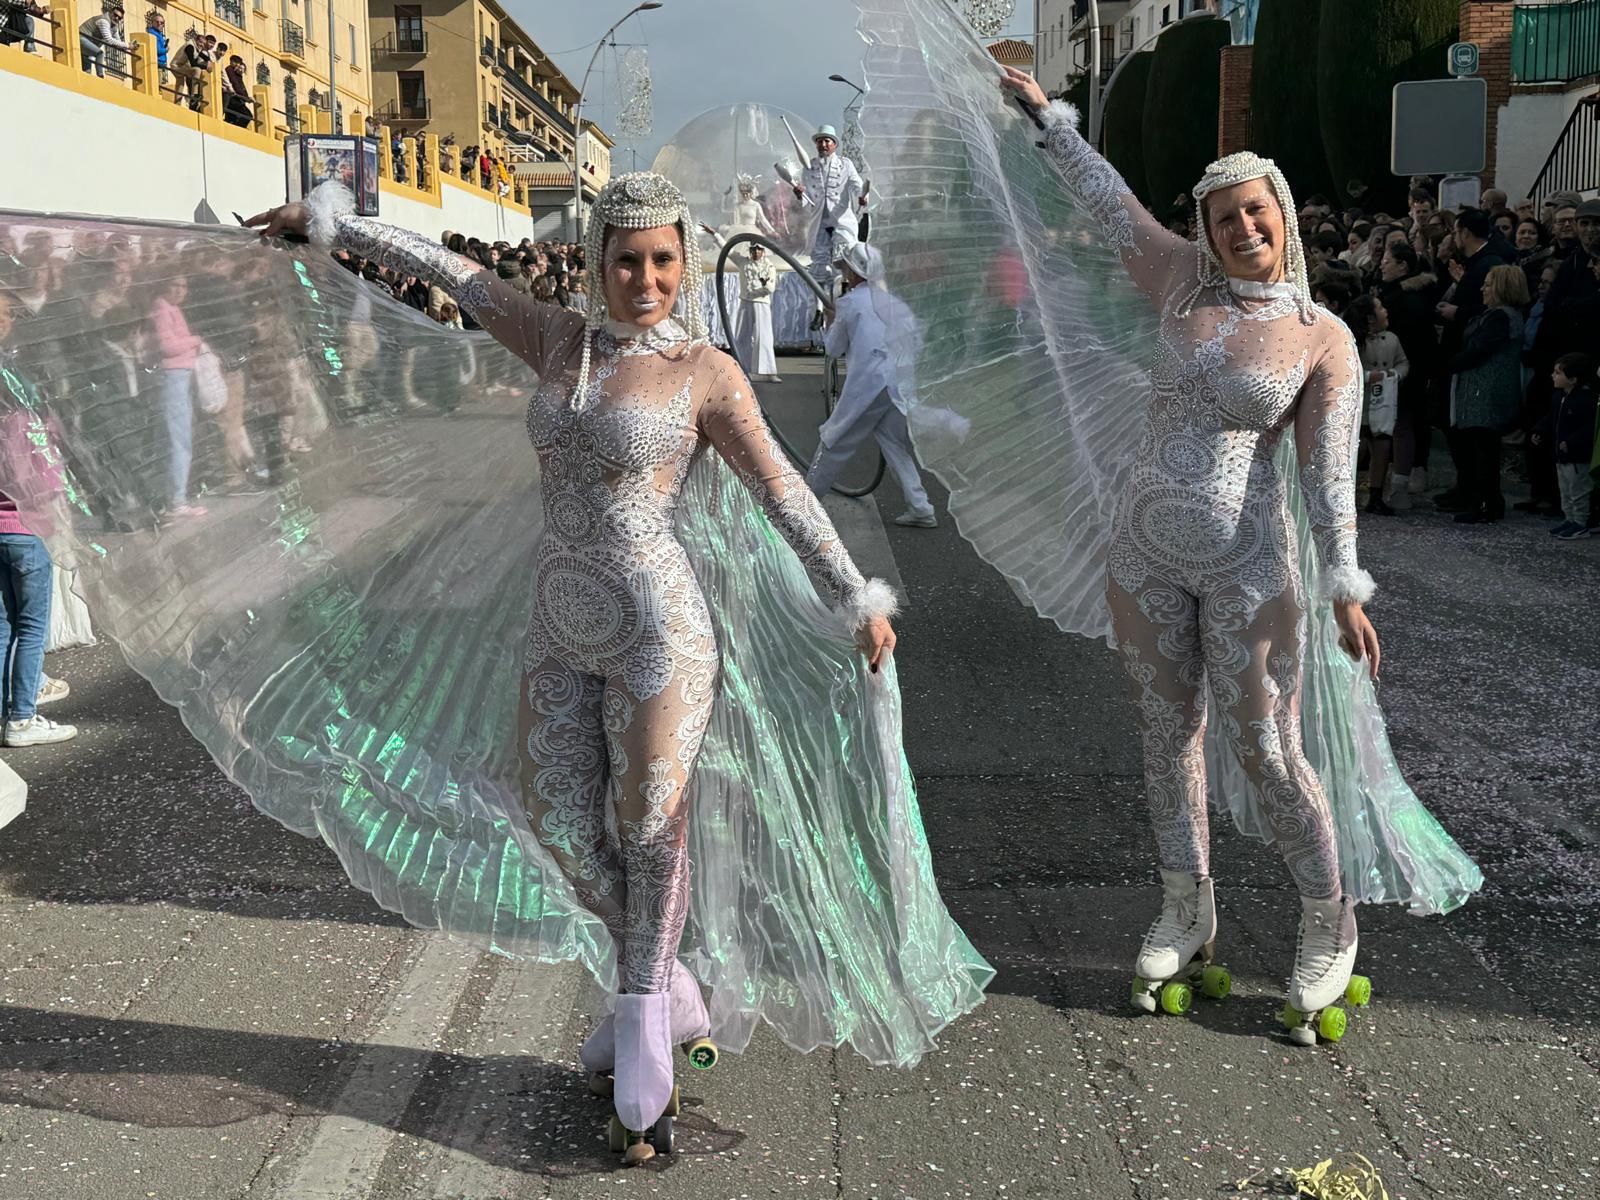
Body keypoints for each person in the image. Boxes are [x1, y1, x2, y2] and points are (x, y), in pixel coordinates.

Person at [243, 170, 986, 1162]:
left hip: (658, 630)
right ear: (598, 264)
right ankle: (669, 986)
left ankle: (639, 1022)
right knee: (553, 820)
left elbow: (782, 491)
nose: (645, 278)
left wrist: (854, 595)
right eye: (627, 259)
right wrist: (333, 225)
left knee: (647, 822)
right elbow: (451, 272)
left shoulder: (705, 373)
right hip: (556, 626)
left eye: (664, 260)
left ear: (683, 264)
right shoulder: (556, 340)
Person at [925, 63, 1485, 1042]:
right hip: (1140, 550)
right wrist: (1047, 121)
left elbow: (1323, 477)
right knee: (1162, 735)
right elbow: (1108, 206)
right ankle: (1187, 909)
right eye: (1224, 217)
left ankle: (1327, 919)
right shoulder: (1177, 277)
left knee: (1268, 747)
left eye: (1256, 212)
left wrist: (1346, 581)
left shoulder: (1323, 340)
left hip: (1249, 565)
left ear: (1283, 217)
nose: (1242, 230)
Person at [805, 243, 937, 528]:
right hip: (896, 385)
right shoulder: (896, 303)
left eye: (847, 270)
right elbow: (917, 343)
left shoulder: (850, 303)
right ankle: (921, 507)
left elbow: (833, 348)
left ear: (853, 272)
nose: (845, 275)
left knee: (833, 442)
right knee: (894, 444)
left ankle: (803, 508)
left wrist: (831, 321)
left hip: (869, 387)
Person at [1447, 264, 1528, 525]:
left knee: (1484, 449)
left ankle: (1485, 502)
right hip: (1484, 388)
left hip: (1488, 390)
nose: (1483, 289)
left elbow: (1480, 350)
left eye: (1489, 284)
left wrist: (1447, 364)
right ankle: (1485, 501)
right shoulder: (1498, 315)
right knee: (1483, 448)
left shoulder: (1501, 317)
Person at [1346, 294, 1408, 516]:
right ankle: (1346, 493)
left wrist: (1395, 375)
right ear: (1370, 318)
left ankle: (1376, 494)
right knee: (1359, 448)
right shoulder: (1353, 341)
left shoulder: (1392, 339)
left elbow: (1403, 362)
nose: (1386, 311)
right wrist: (1365, 376)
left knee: (1382, 448)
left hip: (1384, 402)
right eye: (1381, 308)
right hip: (1362, 402)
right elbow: (1347, 368)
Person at [793, 124, 865, 293]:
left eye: (827, 141)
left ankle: (845, 294)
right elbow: (807, 200)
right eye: (820, 141)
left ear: (834, 145)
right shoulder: (809, 167)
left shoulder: (845, 164)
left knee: (844, 259)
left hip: (841, 222)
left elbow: (857, 184)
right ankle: (820, 306)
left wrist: (862, 195)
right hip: (819, 223)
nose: (823, 145)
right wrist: (799, 193)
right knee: (820, 264)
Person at [1535, 352, 1596, 539]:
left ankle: (1580, 522)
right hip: (1561, 454)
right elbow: (1551, 418)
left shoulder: (1586, 400)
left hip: (1577, 456)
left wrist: (1571, 442)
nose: (1553, 376)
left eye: (1558, 373)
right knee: (1565, 489)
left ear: (1573, 379)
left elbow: (1589, 428)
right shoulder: (1559, 397)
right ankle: (1569, 518)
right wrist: (1540, 430)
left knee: (1578, 491)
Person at [78, 2, 129, 78]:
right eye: (115, 15)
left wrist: (128, 46)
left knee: (87, 74)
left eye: (120, 18)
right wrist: (128, 46)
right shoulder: (104, 21)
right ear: (110, 13)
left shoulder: (114, 27)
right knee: (100, 53)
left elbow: (118, 42)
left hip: (88, 45)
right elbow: (109, 40)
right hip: (81, 39)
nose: (117, 18)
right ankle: (100, 76)